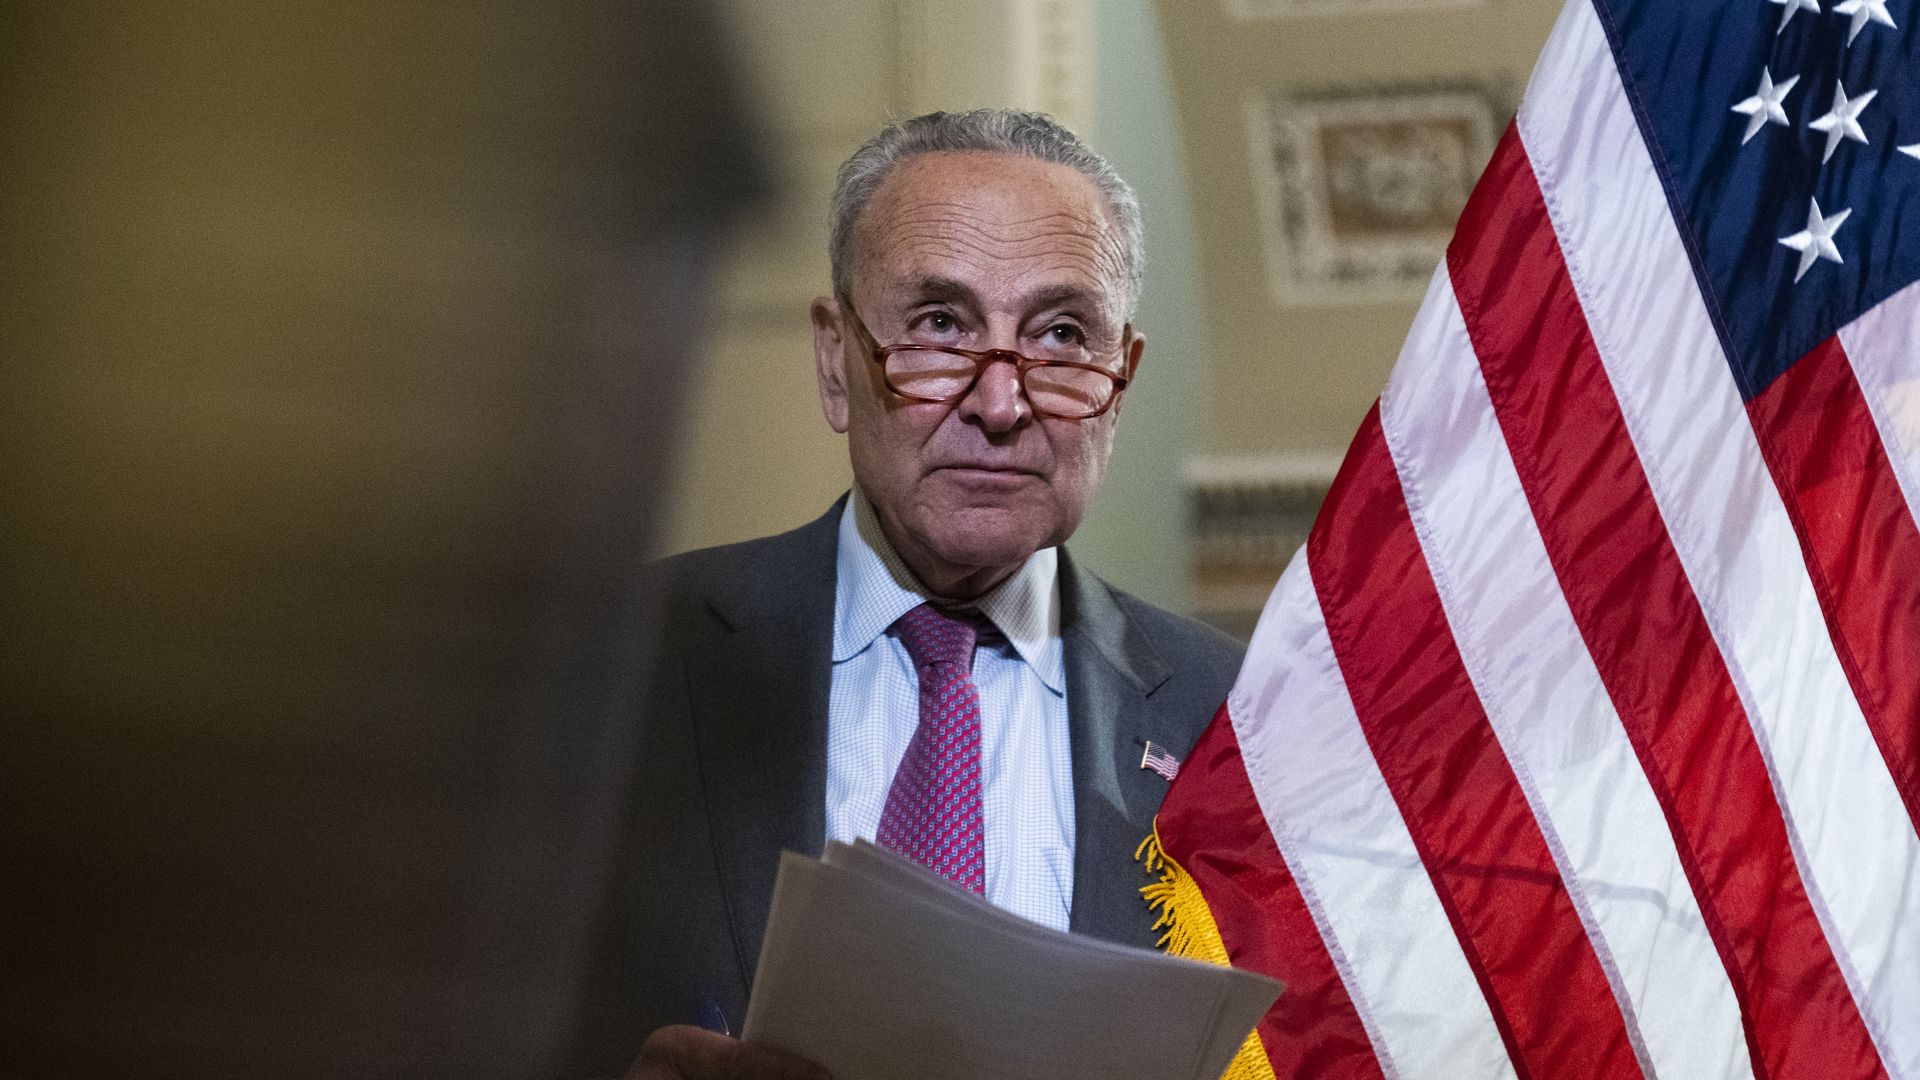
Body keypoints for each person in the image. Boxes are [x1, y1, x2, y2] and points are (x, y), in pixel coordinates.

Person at [573, 109, 1246, 1080]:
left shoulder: (1236, 718)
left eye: (1062, 335)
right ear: (834, 361)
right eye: (940, 325)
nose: (1001, 404)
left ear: (1122, 380)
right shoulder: (619, 656)